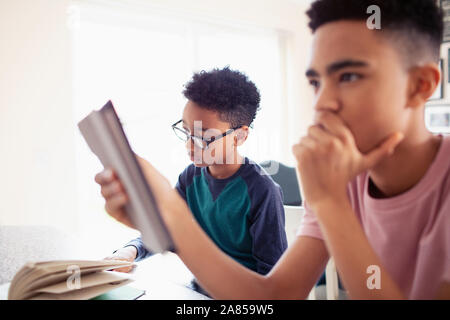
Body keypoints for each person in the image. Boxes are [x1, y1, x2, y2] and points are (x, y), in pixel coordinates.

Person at [95, 0, 450, 299]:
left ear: (421, 85)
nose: (322, 102)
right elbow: (272, 297)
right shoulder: (340, 182)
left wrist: (330, 203)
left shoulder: (326, 189)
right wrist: (165, 216)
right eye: (316, 82)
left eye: (349, 76)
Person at [100, 67, 288, 295]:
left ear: (240, 136)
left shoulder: (262, 191)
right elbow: (165, 228)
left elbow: (273, 279)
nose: (189, 146)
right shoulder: (190, 178)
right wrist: (130, 251)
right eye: (187, 131)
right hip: (198, 292)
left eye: (204, 137)